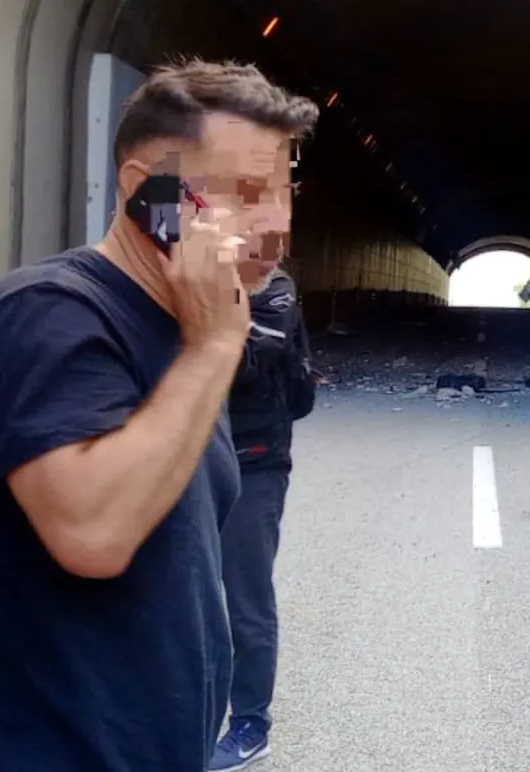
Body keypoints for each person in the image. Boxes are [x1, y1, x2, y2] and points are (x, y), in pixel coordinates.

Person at [0, 60, 317, 771]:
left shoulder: (187, 324)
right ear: (151, 194)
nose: (276, 226)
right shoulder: (50, 315)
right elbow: (93, 532)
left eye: (284, 194)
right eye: (244, 194)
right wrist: (212, 352)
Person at [210, 267, 319, 771]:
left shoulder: (272, 287)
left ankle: (251, 724)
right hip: (188, 457)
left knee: (244, 598)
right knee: (179, 592)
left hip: (254, 458)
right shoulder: (180, 270)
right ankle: (185, 717)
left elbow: (249, 357)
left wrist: (197, 319)